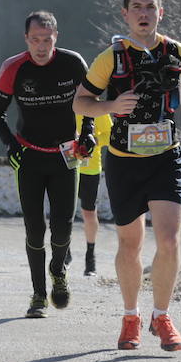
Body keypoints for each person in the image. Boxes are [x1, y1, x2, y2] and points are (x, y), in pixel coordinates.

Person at [72, 0, 181, 352]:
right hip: (124, 163)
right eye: (137, 7)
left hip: (166, 158)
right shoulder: (110, 58)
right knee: (130, 244)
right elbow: (80, 103)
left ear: (160, 12)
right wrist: (110, 108)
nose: (144, 13)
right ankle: (130, 316)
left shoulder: (178, 53)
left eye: (150, 7)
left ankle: (161, 316)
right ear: (125, 14)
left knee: (169, 240)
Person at [0, 10, 93, 318]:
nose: (41, 46)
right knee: (34, 229)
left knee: (62, 228)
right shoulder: (13, 68)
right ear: (26, 39)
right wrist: (9, 144)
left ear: (56, 38)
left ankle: (58, 272)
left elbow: (89, 105)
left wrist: (87, 134)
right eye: (35, 40)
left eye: (47, 39)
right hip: (30, 155)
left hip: (66, 155)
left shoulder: (73, 63)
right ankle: (37, 295)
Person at [75, 112, 112, 276]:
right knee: (61, 211)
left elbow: (111, 133)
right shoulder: (65, 99)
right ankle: (63, 252)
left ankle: (90, 257)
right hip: (66, 165)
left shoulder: (96, 107)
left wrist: (94, 141)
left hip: (90, 168)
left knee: (89, 212)